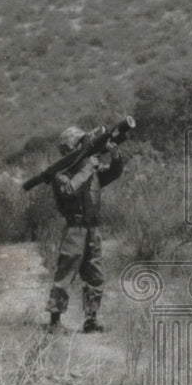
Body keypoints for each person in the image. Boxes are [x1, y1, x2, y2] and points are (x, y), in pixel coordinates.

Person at [45, 125, 124, 333]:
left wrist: (115, 156)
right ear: (70, 148)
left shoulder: (91, 169)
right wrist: (89, 167)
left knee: (96, 275)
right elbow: (69, 191)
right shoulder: (60, 174)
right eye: (79, 143)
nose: (84, 146)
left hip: (92, 229)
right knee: (65, 275)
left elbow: (114, 173)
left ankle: (91, 320)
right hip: (75, 229)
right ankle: (54, 322)